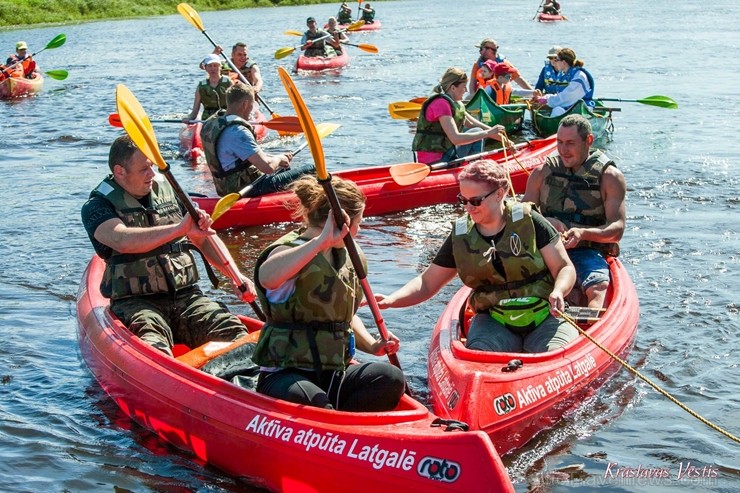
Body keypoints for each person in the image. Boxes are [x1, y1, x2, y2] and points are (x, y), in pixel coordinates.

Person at [375, 159, 578, 353]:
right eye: (462, 200)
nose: (468, 208)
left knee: (557, 351)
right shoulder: (462, 234)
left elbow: (564, 267)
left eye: (476, 201)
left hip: (545, 314)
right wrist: (391, 300)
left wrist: (559, 291)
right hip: (494, 320)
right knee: (480, 353)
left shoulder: (530, 221)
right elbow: (427, 283)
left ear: (500, 193)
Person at [80, 135, 257, 356]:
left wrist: (236, 276)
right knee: (153, 346)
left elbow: (203, 237)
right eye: (144, 169)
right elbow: (120, 240)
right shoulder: (97, 205)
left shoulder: (169, 190)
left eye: (152, 166)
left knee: (233, 331)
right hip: (137, 304)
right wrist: (179, 230)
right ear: (119, 171)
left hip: (188, 298)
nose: (152, 174)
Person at [252, 175, 405, 411]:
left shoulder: (347, 256)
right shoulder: (290, 251)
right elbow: (267, 277)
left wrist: (374, 345)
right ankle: (329, 421)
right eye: (359, 222)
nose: (360, 229)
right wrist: (321, 241)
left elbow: (343, 316)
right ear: (342, 223)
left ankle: (348, 432)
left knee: (391, 379)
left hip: (333, 371)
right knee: (317, 405)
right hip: (285, 372)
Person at [523, 114, 626, 309]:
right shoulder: (541, 173)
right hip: (547, 249)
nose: (563, 150)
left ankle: (591, 328)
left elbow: (617, 229)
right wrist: (546, 223)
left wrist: (582, 233)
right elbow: (522, 217)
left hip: (587, 250)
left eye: (570, 143)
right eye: (559, 142)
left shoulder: (610, 177)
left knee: (597, 286)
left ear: (588, 141)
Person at [201, 83, 314, 197]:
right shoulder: (238, 131)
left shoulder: (211, 124)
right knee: (311, 169)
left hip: (224, 188)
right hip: (246, 189)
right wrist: (279, 158)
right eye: (252, 105)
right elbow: (267, 168)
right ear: (245, 104)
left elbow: (237, 156)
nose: (252, 109)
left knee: (285, 169)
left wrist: (276, 158)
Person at [412, 67, 505, 164]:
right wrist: (488, 133)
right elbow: (455, 139)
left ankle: (472, 166)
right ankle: (474, 168)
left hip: (447, 152)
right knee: (479, 133)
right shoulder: (441, 104)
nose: (466, 90)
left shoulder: (456, 103)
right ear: (453, 88)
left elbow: (474, 124)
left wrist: (503, 138)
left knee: (477, 130)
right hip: (436, 160)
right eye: (464, 87)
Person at [533, 48, 595, 117]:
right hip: (571, 106)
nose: (555, 62)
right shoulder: (567, 73)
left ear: (564, 62)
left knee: (557, 110)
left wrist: (547, 100)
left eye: (557, 60)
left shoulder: (579, 77)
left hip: (583, 110)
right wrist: (545, 97)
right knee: (557, 110)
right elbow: (562, 96)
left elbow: (566, 98)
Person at [183, 54, 233, 123]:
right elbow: (194, 112)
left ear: (220, 67)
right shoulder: (201, 87)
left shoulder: (228, 83)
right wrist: (188, 118)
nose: (213, 69)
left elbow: (235, 104)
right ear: (206, 68)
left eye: (215, 65)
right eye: (209, 66)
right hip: (207, 120)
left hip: (226, 118)